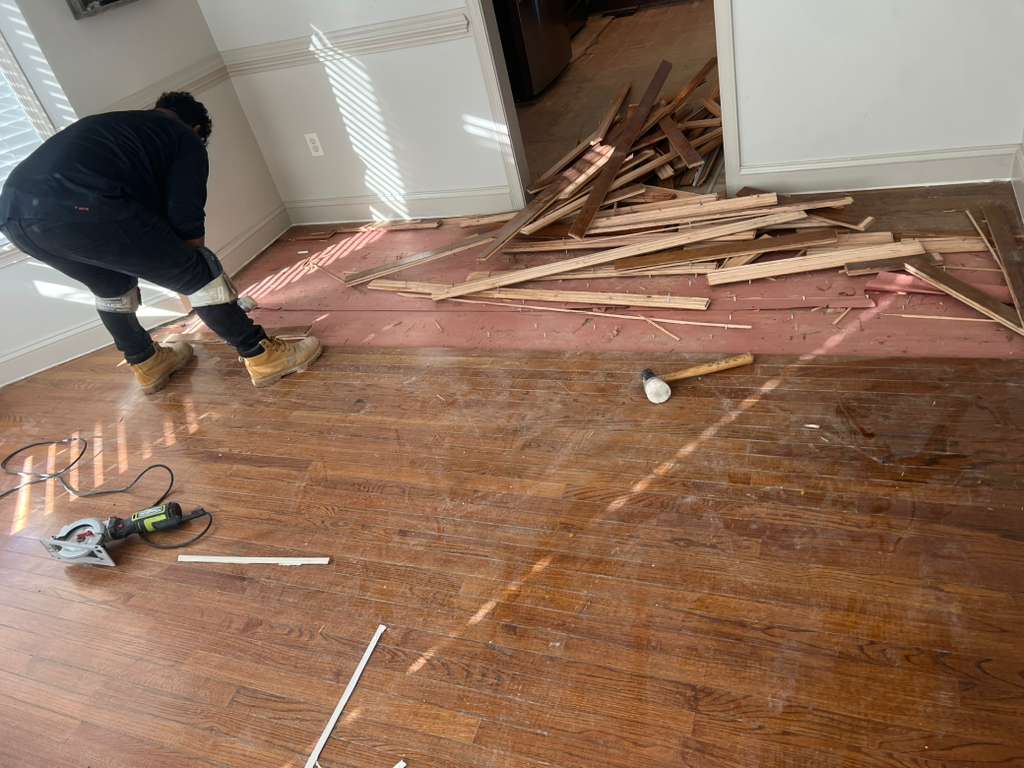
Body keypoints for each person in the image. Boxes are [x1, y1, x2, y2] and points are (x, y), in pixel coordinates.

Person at [0, 91, 321, 393]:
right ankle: (262, 355)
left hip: (13, 217)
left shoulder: (124, 129)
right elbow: (185, 217)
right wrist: (199, 278)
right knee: (197, 272)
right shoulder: (184, 138)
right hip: (81, 208)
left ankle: (147, 362)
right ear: (197, 129)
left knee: (112, 286)